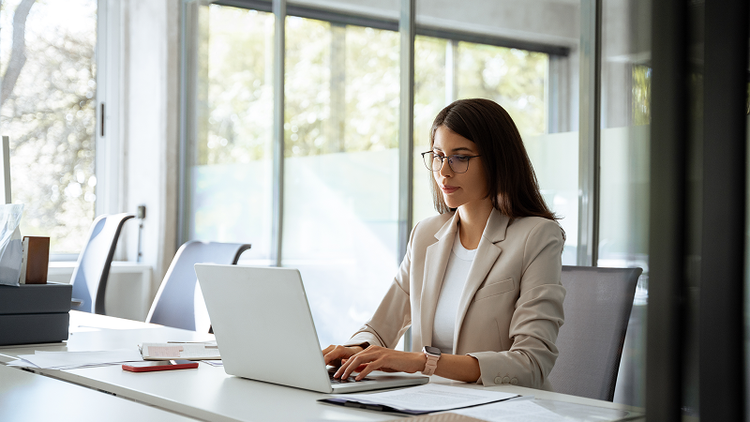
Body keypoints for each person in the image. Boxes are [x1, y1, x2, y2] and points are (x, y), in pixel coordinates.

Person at [323, 98, 566, 390]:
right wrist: (355, 350)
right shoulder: (426, 235)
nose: (443, 171)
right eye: (438, 156)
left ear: (496, 160)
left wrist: (422, 362)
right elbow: (379, 328)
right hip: (430, 405)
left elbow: (531, 362)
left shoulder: (536, 236)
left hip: (500, 408)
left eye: (460, 157)